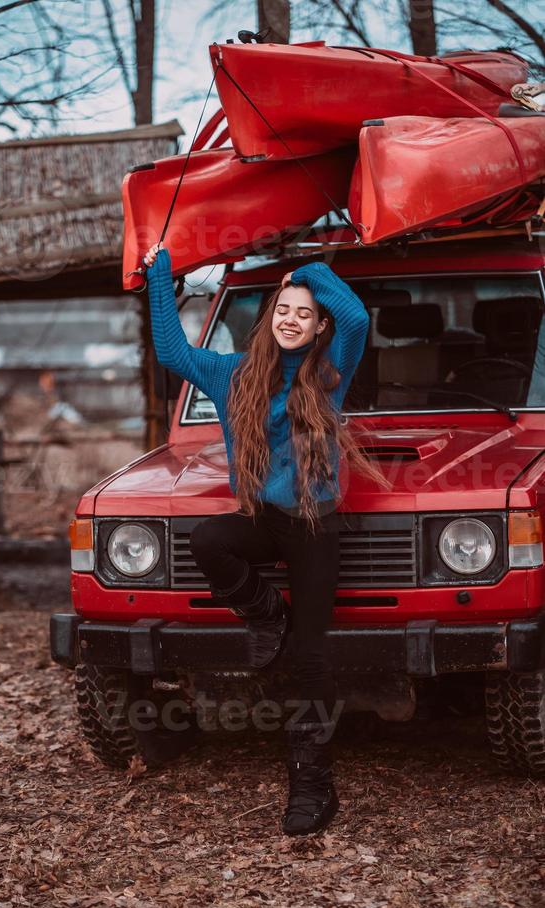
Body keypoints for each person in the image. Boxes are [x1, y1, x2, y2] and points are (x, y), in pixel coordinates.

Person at [143, 242, 387, 836]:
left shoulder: (329, 373)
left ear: (317, 325)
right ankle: (263, 614)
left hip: (311, 525)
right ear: (270, 312)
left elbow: (355, 318)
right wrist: (160, 271)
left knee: (311, 659)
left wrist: (303, 271)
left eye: (304, 313)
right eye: (284, 307)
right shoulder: (230, 374)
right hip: (261, 519)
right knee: (207, 541)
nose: (291, 319)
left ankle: (312, 786)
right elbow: (172, 348)